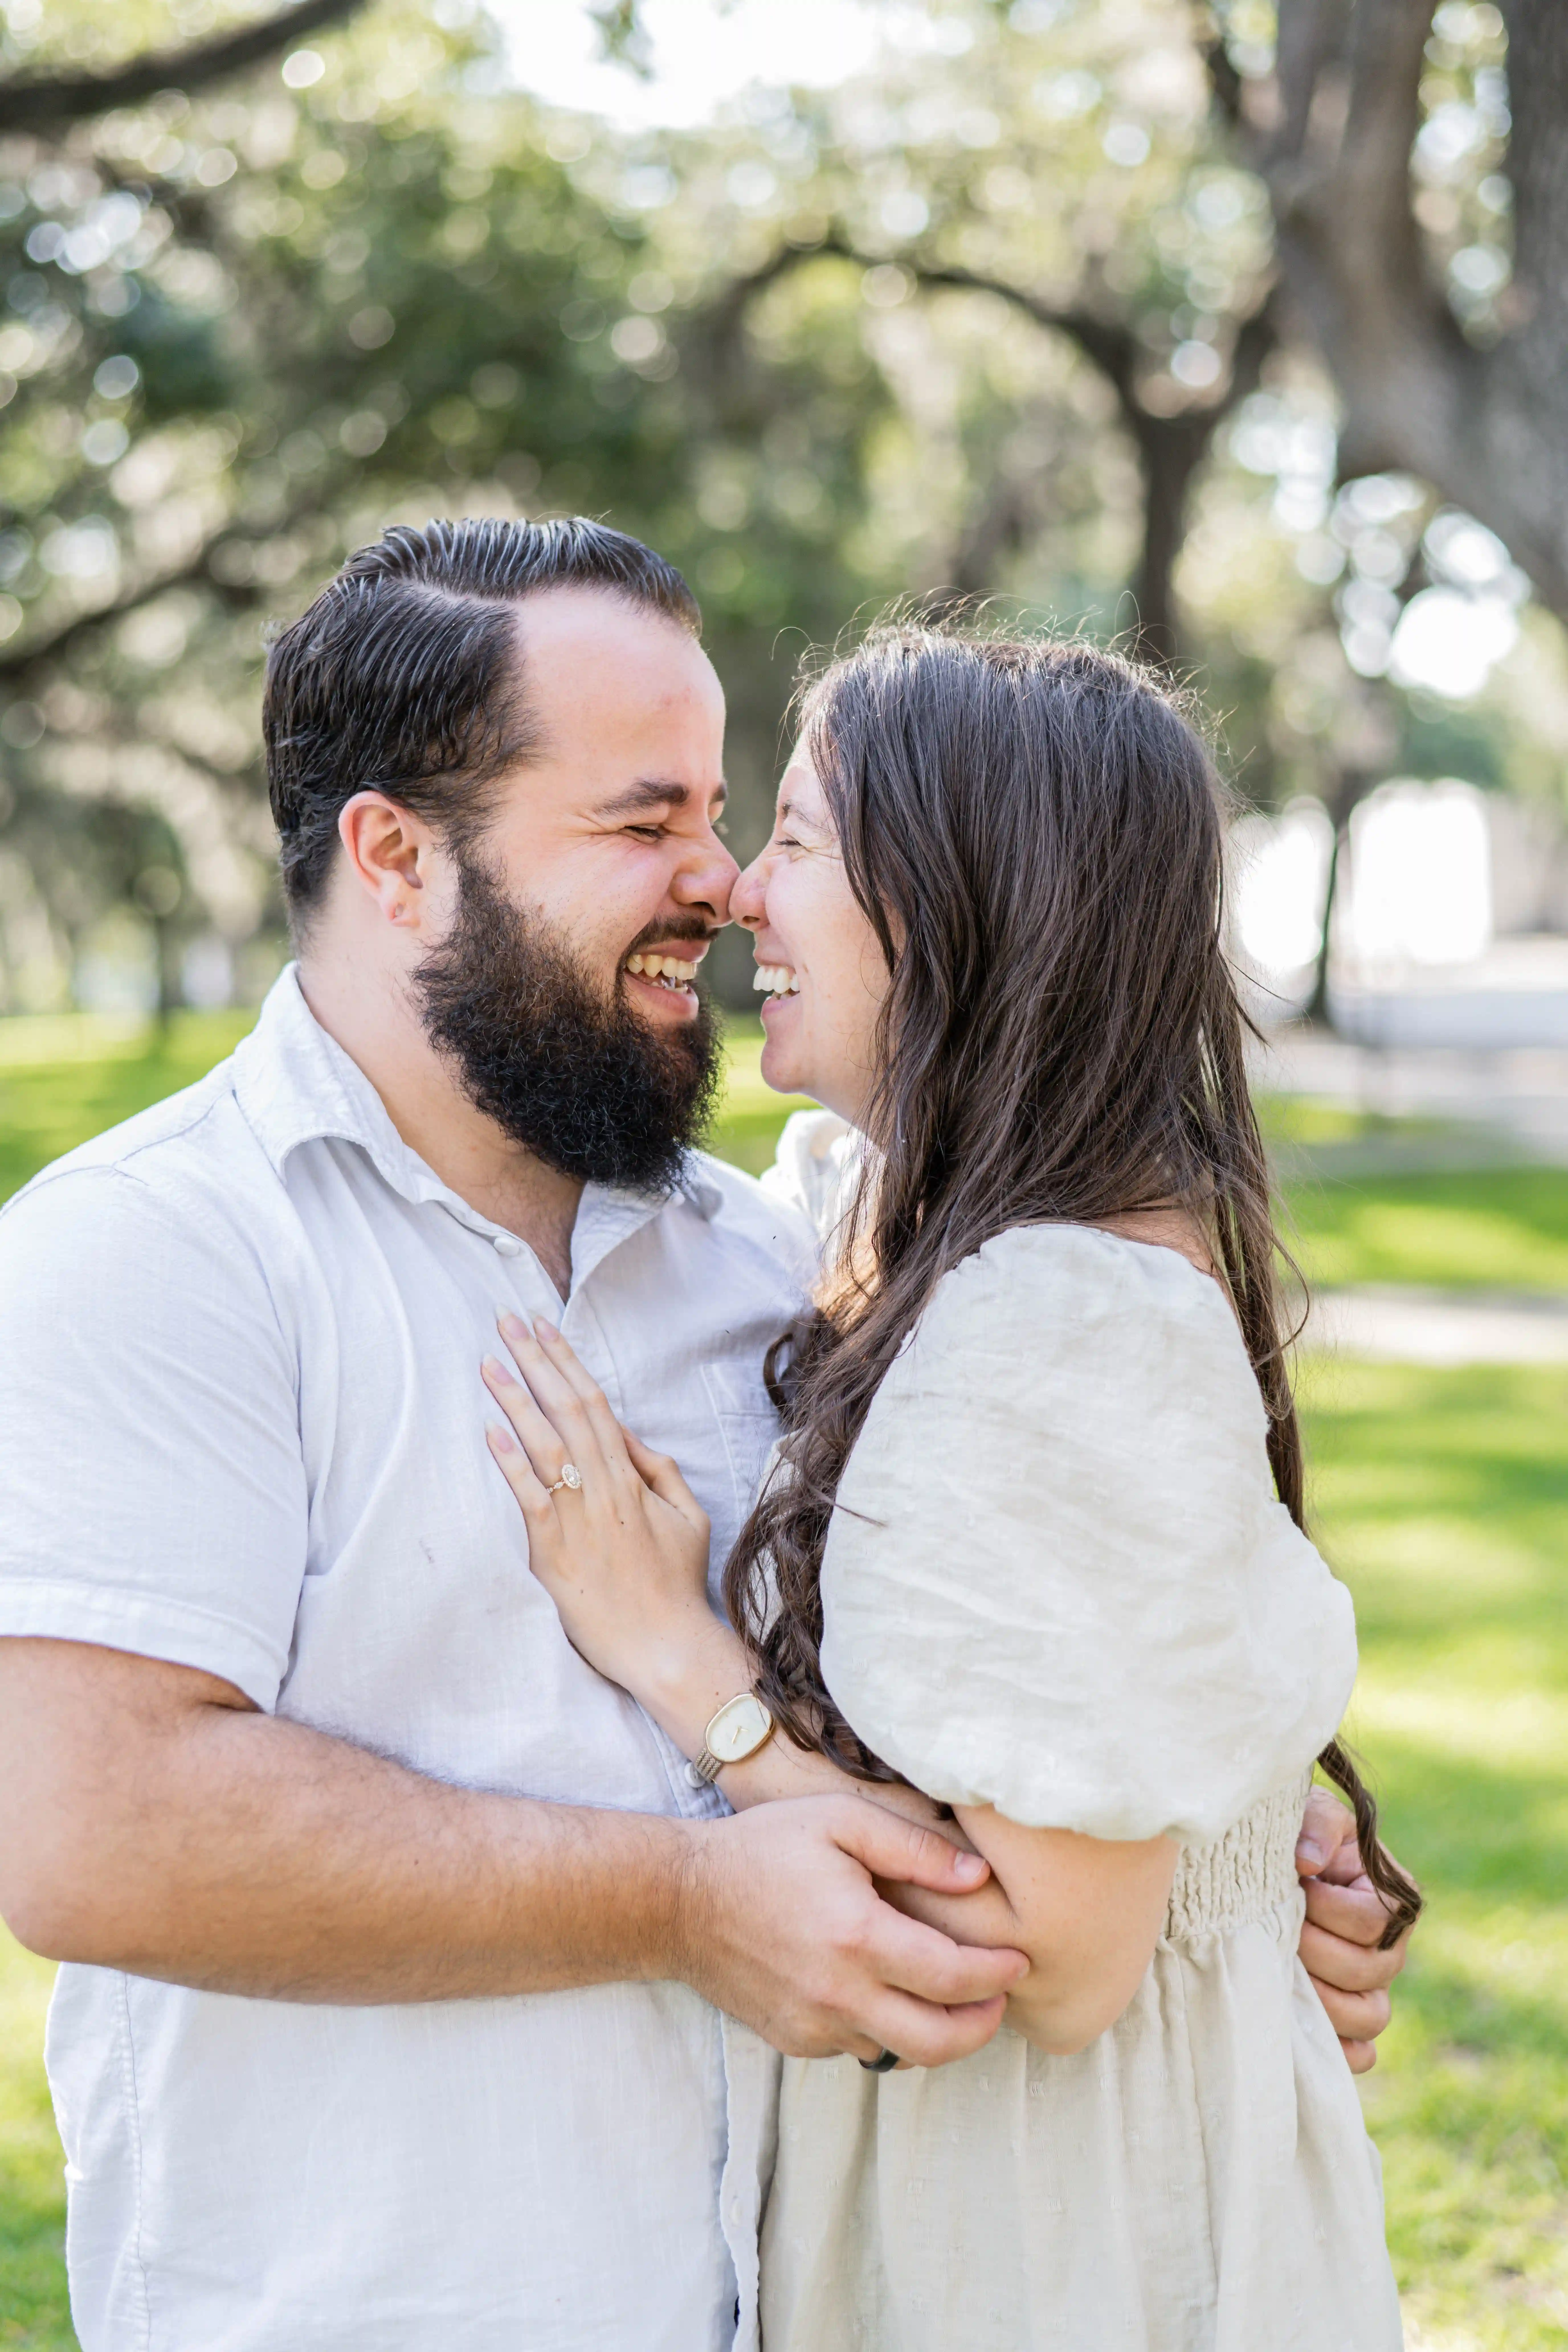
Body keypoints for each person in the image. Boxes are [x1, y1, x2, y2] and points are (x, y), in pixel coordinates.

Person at [0, 522, 1405, 2352]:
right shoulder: (154, 1253)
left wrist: (1221, 1813)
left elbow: (1018, 1643)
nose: (724, 881)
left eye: (738, 817)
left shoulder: (773, 1260)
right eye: (643, 821)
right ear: (398, 858)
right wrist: (683, 1901)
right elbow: (96, 1831)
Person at [479, 621, 1421, 2351]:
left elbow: (1055, 1961)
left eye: (800, 841)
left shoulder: (1055, 1321)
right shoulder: (922, 1218)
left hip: (1047, 2239)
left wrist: (676, 1654)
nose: (745, 893)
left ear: (958, 900)